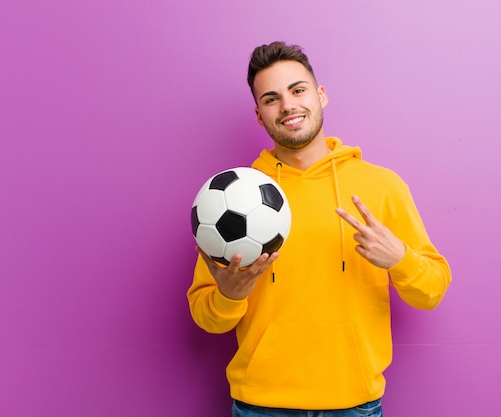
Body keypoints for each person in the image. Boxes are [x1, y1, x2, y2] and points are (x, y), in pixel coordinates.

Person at [187, 41, 452, 417]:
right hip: (261, 406)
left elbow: (432, 291)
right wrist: (229, 296)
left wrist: (400, 259)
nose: (288, 106)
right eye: (271, 98)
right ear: (259, 115)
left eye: (298, 90)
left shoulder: (382, 186)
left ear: (320, 95)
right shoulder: (231, 198)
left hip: (354, 405)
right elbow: (205, 316)